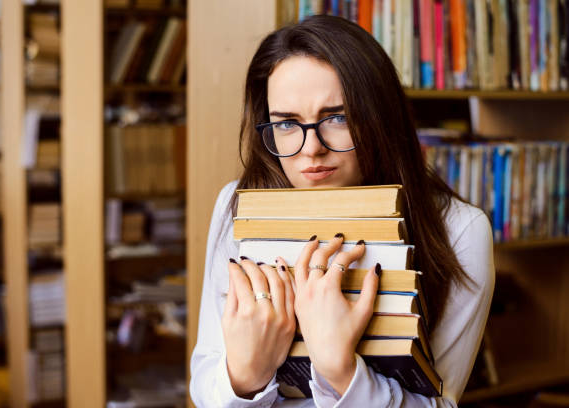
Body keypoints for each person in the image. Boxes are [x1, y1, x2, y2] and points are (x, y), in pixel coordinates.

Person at [190, 14, 494, 407]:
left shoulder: (458, 230)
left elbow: (440, 403)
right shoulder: (239, 205)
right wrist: (246, 376)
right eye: (286, 123)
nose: (310, 148)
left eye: (337, 117)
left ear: (379, 118)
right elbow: (205, 379)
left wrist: (340, 368)